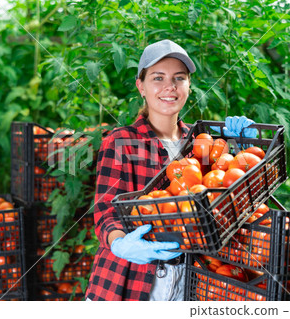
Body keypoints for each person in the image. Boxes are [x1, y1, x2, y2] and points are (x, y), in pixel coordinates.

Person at [85, 39, 256, 301]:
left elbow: (229, 197)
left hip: (187, 283)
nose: (170, 87)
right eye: (158, 78)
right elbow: (106, 211)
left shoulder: (201, 143)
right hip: (129, 284)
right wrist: (120, 243)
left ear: (189, 86)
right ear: (140, 86)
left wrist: (244, 150)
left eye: (179, 78)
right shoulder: (121, 141)